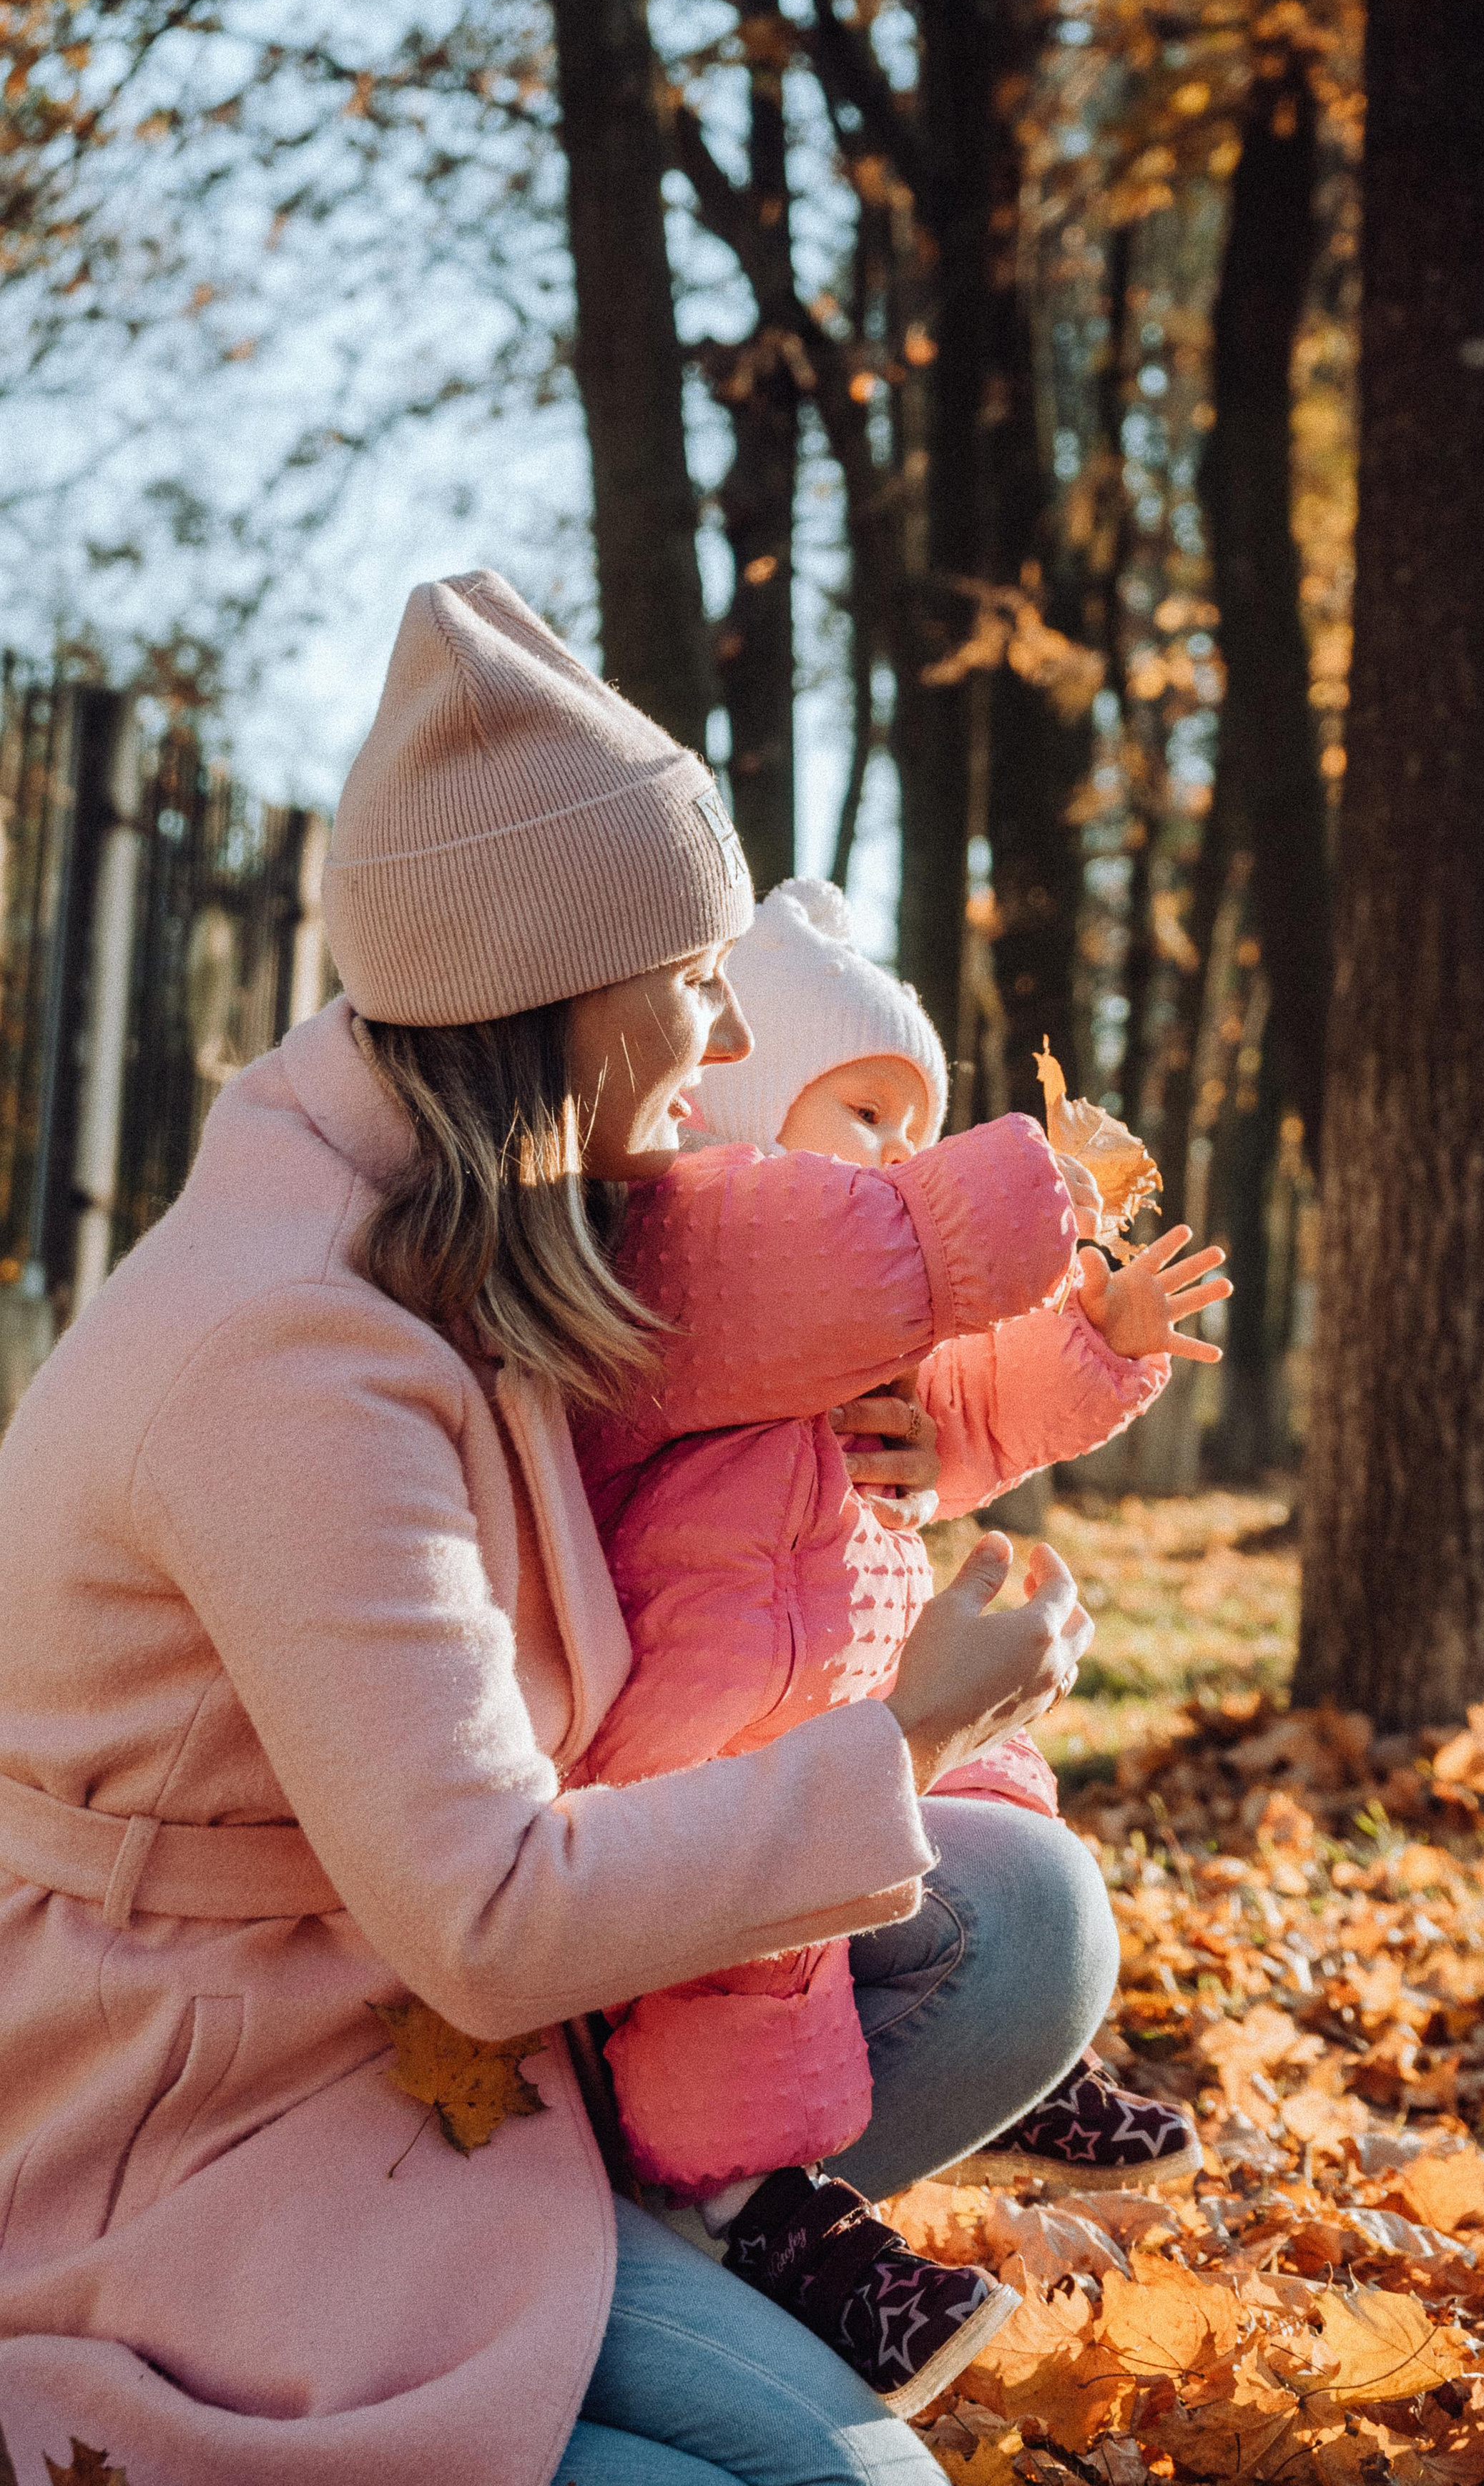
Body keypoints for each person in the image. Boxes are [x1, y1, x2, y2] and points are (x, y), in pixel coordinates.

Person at [0, 570, 1110, 2486]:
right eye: (689, 973)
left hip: (432, 2054)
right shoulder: (290, 1364)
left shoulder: (470, 1224)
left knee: (1015, 1924)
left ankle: (661, 2250)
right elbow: (496, 1917)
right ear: (553, 992)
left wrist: (876, 1445)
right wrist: (908, 1730)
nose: (722, 1026)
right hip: (201, 2123)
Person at [572, 878, 1230, 2410]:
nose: (896, 1152)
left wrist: (1097, 1342)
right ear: (749, 1104)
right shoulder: (701, 1238)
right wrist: (1030, 1191)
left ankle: (1018, 2058)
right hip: (717, 1713)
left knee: (998, 1773)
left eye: (914, 1124)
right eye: (862, 1112)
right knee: (748, 1961)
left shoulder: (864, 1332)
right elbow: (867, 1253)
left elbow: (979, 1403)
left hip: (852, 1683)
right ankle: (743, 2206)